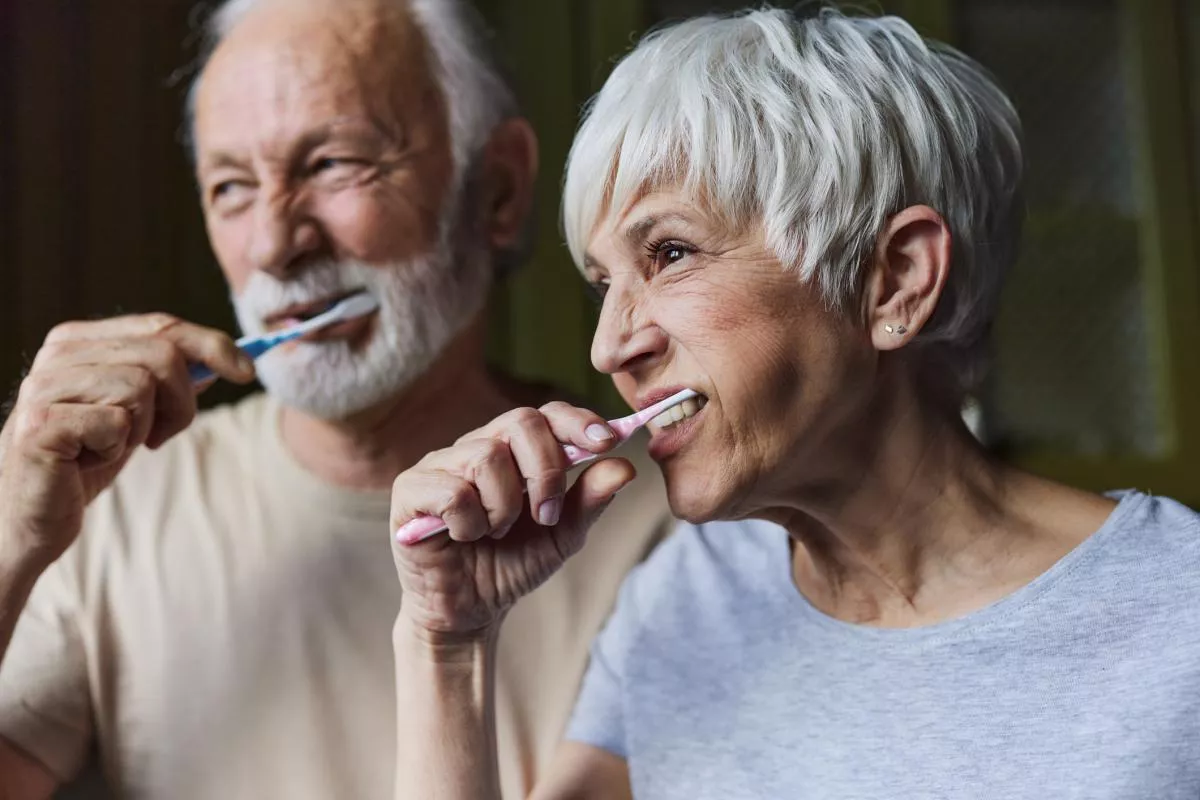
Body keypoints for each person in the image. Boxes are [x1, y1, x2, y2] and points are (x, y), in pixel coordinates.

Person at [387, 6, 1200, 798]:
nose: (609, 348)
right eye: (605, 285)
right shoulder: (685, 599)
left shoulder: (1178, 608)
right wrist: (445, 643)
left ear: (895, 281)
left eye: (670, 253)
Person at [0, 0, 672, 797]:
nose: (275, 246)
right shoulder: (112, 511)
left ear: (496, 190)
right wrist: (12, 534)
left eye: (332, 165)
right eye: (231, 187)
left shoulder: (666, 512)